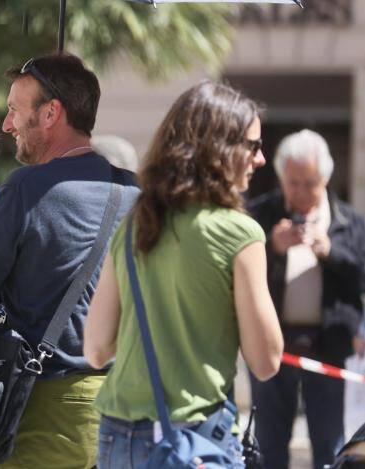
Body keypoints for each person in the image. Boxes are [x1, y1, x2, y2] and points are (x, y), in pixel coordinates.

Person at [0, 53, 141, 469]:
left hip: (44, 407)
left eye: (14, 109)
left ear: (51, 113)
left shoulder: (26, 188)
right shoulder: (136, 193)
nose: (7, 124)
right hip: (127, 408)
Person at [83, 81, 284, 468]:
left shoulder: (134, 225)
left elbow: (96, 349)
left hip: (116, 436)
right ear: (221, 150)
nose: (260, 159)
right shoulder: (239, 233)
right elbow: (266, 360)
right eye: (253, 146)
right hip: (192, 440)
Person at [247, 129, 365, 469]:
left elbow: (359, 275)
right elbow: (238, 274)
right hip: (272, 346)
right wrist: (271, 248)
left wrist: (330, 251)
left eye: (308, 182)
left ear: (325, 178)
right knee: (269, 445)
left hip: (329, 346)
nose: (299, 191)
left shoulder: (348, 221)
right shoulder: (260, 215)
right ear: (281, 177)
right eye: (292, 182)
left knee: (328, 443)